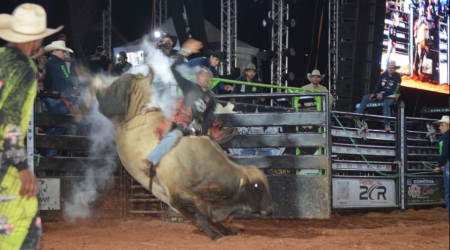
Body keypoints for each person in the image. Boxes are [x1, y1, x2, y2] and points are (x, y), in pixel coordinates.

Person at [0, 3, 62, 249]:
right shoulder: (25, 68)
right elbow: (9, 119)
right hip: (6, 160)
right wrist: (22, 167)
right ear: (35, 38)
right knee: (23, 226)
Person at [147, 39, 233, 169]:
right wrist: (184, 53)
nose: (206, 77)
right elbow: (176, 70)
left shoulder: (211, 97)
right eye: (202, 75)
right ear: (198, 78)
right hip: (182, 117)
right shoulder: (192, 81)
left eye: (207, 76)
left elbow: (209, 119)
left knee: (211, 144)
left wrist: (199, 127)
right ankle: (152, 161)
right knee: (173, 135)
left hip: (195, 124)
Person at [347, 61, 401, 132]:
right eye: (389, 67)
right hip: (381, 95)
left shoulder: (397, 77)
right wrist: (374, 94)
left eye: (392, 68)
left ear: (395, 69)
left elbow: (394, 90)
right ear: (387, 68)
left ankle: (387, 125)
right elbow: (378, 86)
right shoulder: (383, 75)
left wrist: (383, 95)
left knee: (386, 104)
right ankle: (356, 115)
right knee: (366, 97)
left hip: (391, 96)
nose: (390, 69)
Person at [42, 40, 74, 157]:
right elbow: (66, 76)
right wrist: (77, 82)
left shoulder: (48, 62)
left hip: (48, 96)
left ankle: (47, 148)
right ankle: (51, 152)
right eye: (62, 51)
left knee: (55, 122)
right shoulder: (59, 62)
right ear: (55, 51)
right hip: (55, 97)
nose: (64, 54)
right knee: (62, 120)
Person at [433, 115, 449, 220]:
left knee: (449, 193)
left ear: (448, 126)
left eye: (442, 125)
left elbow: (443, 153)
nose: (440, 127)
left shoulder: (444, 138)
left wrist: (439, 165)